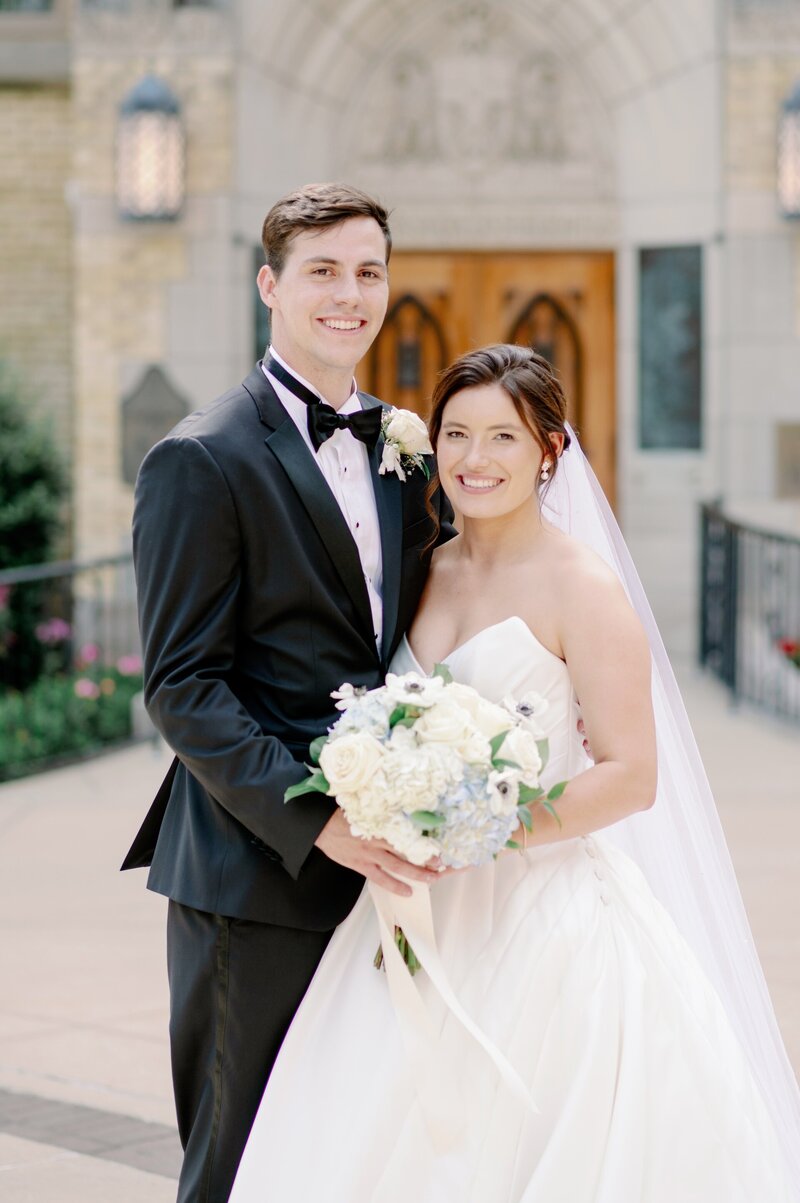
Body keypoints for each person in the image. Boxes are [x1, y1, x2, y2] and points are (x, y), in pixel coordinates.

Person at [229, 344, 800, 1202]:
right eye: (455, 433)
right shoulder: (423, 569)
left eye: (503, 436)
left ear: (549, 451)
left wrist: (480, 829)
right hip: (415, 904)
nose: (473, 459)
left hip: (547, 917)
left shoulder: (583, 587)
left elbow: (630, 774)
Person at [120, 182, 455, 1203]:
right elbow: (181, 687)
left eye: (366, 272)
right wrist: (318, 821)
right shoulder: (201, 457)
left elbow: (417, 628)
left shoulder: (400, 453)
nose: (347, 294)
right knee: (236, 1160)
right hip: (251, 876)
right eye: (321, 271)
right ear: (270, 285)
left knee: (345, 1159)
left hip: (383, 871)